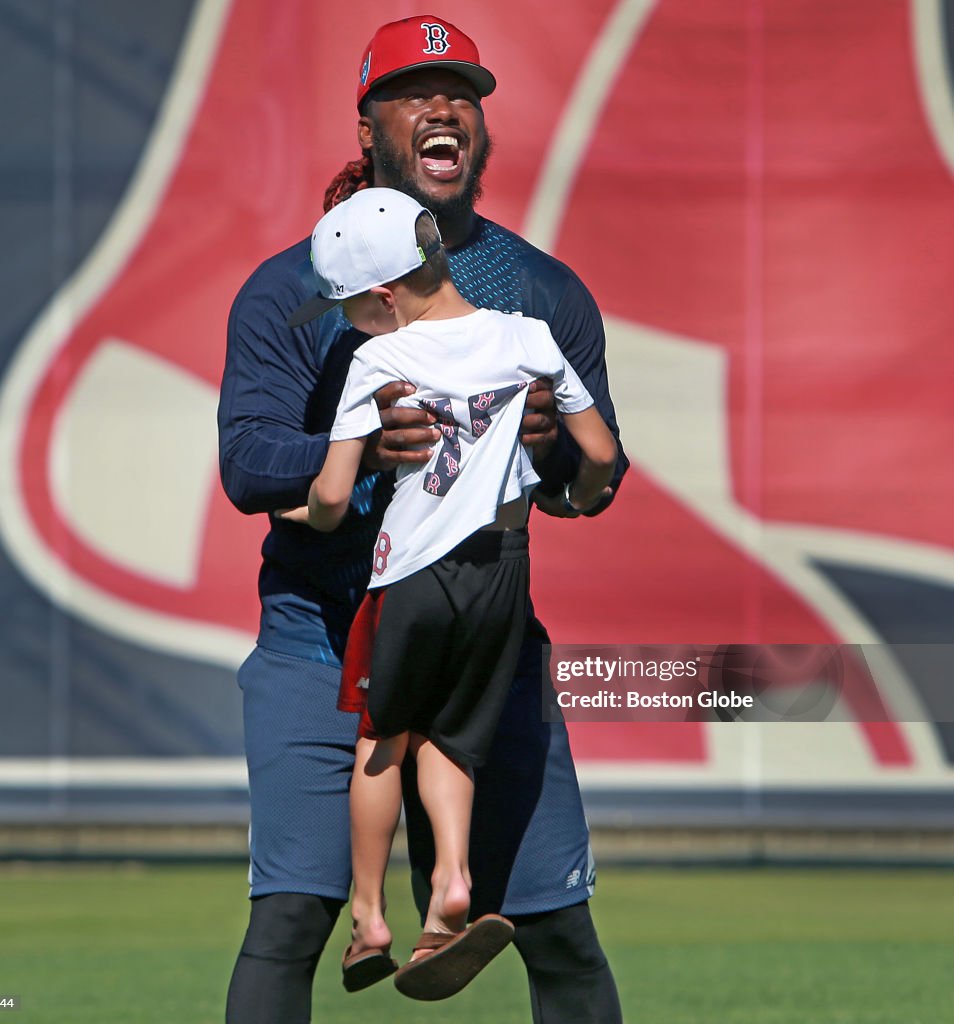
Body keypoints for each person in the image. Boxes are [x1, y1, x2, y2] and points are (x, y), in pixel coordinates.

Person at [218, 14, 629, 1024]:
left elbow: (597, 483)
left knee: (560, 932)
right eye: (413, 91)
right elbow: (244, 462)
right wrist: (349, 458)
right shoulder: (295, 290)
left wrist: (552, 450)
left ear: (478, 127)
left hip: (481, 645)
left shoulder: (539, 293)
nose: (444, 107)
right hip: (322, 643)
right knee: (290, 920)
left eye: (464, 92)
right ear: (369, 127)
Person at [277, 187, 618, 1001]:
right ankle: (452, 891)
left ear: (385, 295)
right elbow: (600, 453)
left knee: (382, 738)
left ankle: (370, 919)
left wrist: (300, 509)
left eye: (352, 304)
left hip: (411, 578)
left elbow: (330, 498)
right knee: (455, 739)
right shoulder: (528, 337)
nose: (349, 320)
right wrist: (567, 496)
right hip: (504, 573)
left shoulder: (379, 358)